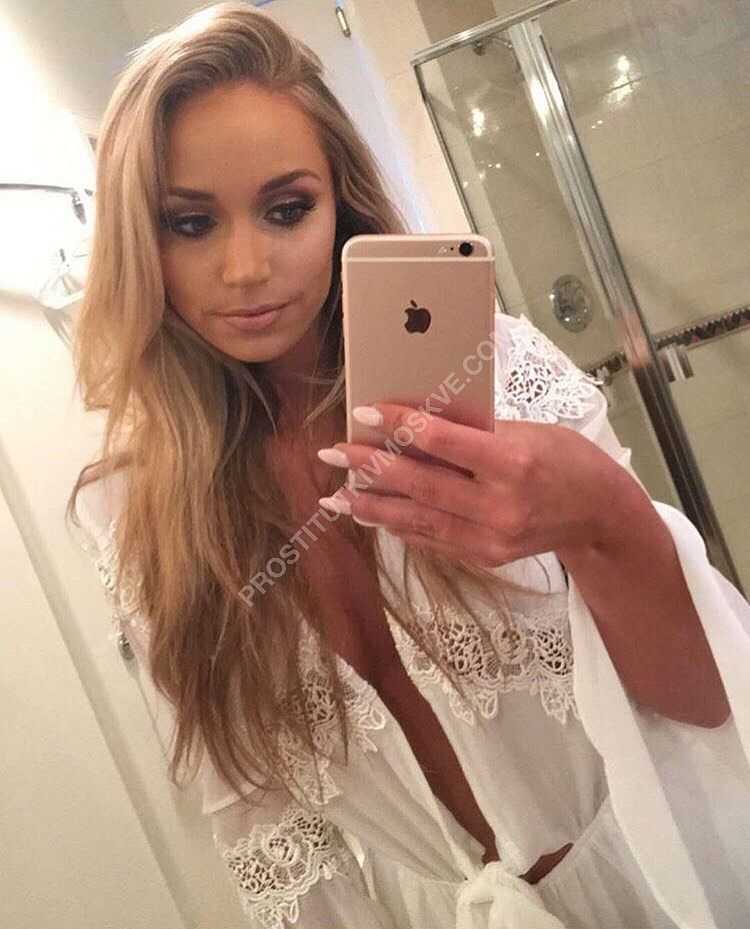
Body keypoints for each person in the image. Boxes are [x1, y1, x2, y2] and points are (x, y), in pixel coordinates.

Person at [69, 4, 750, 928]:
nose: (245, 267)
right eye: (189, 222)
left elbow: (704, 699)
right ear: (135, 244)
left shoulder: (495, 372)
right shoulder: (137, 513)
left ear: (341, 206)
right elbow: (274, 843)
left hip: (653, 876)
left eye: (286, 208)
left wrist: (599, 513)